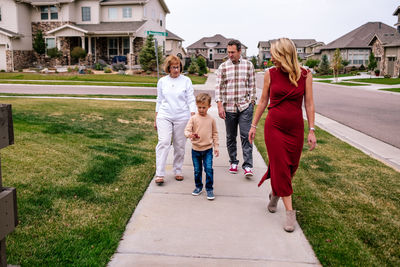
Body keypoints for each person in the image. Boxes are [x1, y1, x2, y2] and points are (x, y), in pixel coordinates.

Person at [248, 38, 317, 232]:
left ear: (284, 55)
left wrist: (311, 129)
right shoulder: (270, 74)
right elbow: (262, 102)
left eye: (274, 55)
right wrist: (254, 125)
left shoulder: (305, 75)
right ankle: (289, 214)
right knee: (281, 166)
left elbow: (309, 104)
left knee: (291, 168)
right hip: (275, 127)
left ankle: (276, 194)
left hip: (295, 128)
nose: (271, 58)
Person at [215, 39, 256, 178]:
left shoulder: (249, 66)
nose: (230, 55)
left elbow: (252, 85)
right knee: (231, 137)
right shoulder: (223, 67)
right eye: (228, 52)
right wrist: (219, 105)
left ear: (240, 51)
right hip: (229, 107)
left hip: (245, 107)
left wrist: (252, 102)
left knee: (246, 136)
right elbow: (218, 88)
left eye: (232, 52)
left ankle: (248, 166)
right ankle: (233, 161)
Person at [154, 55, 196, 185]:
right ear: (168, 68)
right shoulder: (162, 81)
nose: (176, 70)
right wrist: (156, 118)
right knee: (164, 142)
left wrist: (193, 116)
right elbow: (159, 100)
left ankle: (178, 170)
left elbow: (191, 99)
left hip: (182, 116)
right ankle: (160, 173)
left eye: (178, 67)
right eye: (173, 67)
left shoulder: (186, 81)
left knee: (179, 145)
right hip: (164, 115)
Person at [184, 93, 219, 200]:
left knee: (208, 169)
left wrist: (216, 146)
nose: (201, 109)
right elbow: (186, 130)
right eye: (199, 107)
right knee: (197, 170)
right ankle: (198, 187)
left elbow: (215, 133)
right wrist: (190, 135)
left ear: (209, 106)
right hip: (196, 150)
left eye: (204, 107)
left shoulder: (211, 119)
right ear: (196, 106)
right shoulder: (193, 118)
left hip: (208, 149)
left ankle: (209, 188)